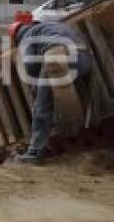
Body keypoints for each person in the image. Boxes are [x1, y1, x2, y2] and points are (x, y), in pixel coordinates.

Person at [10, 20, 93, 164]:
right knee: (58, 91)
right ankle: (71, 124)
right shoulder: (51, 26)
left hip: (58, 57)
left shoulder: (27, 36)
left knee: (42, 106)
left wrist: (36, 86)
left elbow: (30, 66)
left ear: (16, 36)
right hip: (84, 58)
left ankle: (35, 152)